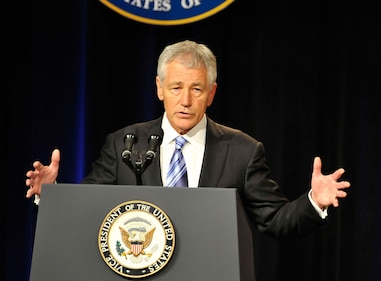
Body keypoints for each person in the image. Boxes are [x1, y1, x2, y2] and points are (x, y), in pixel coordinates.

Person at [25, 39, 350, 239]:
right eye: (176, 87)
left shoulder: (242, 152)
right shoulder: (125, 144)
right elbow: (88, 211)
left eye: (196, 89)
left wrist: (313, 202)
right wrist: (52, 197)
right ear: (159, 88)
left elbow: (276, 221)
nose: (185, 100)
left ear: (211, 94)